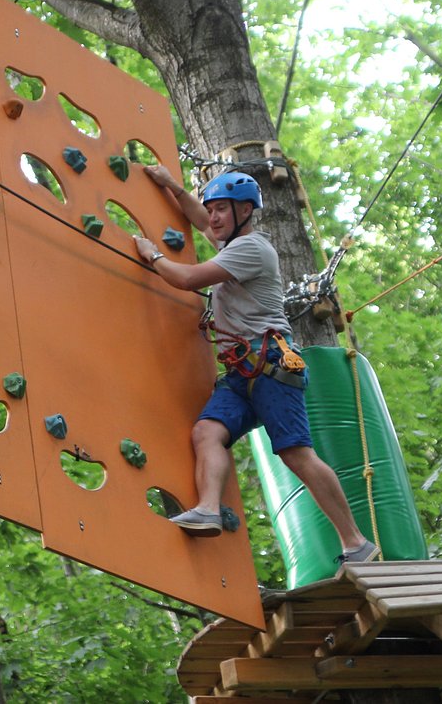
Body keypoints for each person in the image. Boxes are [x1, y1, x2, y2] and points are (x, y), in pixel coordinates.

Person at [133, 165, 379, 565]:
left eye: (221, 210)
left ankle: (355, 542)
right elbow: (199, 219)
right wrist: (172, 186)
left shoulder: (251, 249)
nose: (212, 218)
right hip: (241, 373)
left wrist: (153, 254)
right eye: (211, 209)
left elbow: (188, 278)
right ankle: (209, 508)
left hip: (272, 364)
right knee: (206, 432)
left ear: (245, 211)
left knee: (295, 455)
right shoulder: (232, 242)